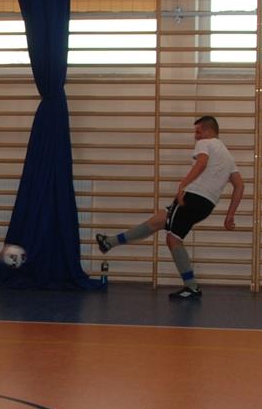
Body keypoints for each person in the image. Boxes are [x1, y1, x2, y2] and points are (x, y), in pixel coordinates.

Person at [95, 115, 244, 300]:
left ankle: (191, 286)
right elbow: (239, 185)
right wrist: (230, 216)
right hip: (206, 205)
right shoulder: (228, 156)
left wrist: (183, 184)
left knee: (173, 239)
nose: (196, 136)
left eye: (198, 132)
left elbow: (202, 162)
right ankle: (109, 242)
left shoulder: (206, 143)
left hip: (193, 197)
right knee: (158, 220)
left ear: (208, 131)